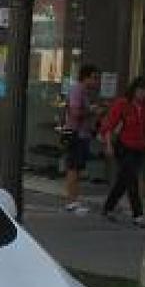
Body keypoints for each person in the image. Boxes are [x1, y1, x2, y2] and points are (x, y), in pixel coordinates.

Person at [99, 76, 145, 228]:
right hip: (124, 146)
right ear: (134, 90)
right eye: (140, 90)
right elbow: (108, 125)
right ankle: (138, 214)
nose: (143, 94)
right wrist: (108, 145)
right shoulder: (123, 104)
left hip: (140, 147)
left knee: (124, 180)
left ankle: (108, 207)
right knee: (131, 178)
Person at [63, 64, 102, 214]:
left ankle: (74, 199)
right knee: (74, 167)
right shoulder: (77, 89)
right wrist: (91, 110)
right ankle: (71, 201)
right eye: (94, 78)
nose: (96, 81)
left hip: (82, 134)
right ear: (85, 77)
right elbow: (74, 112)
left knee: (77, 168)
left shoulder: (83, 91)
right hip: (76, 133)